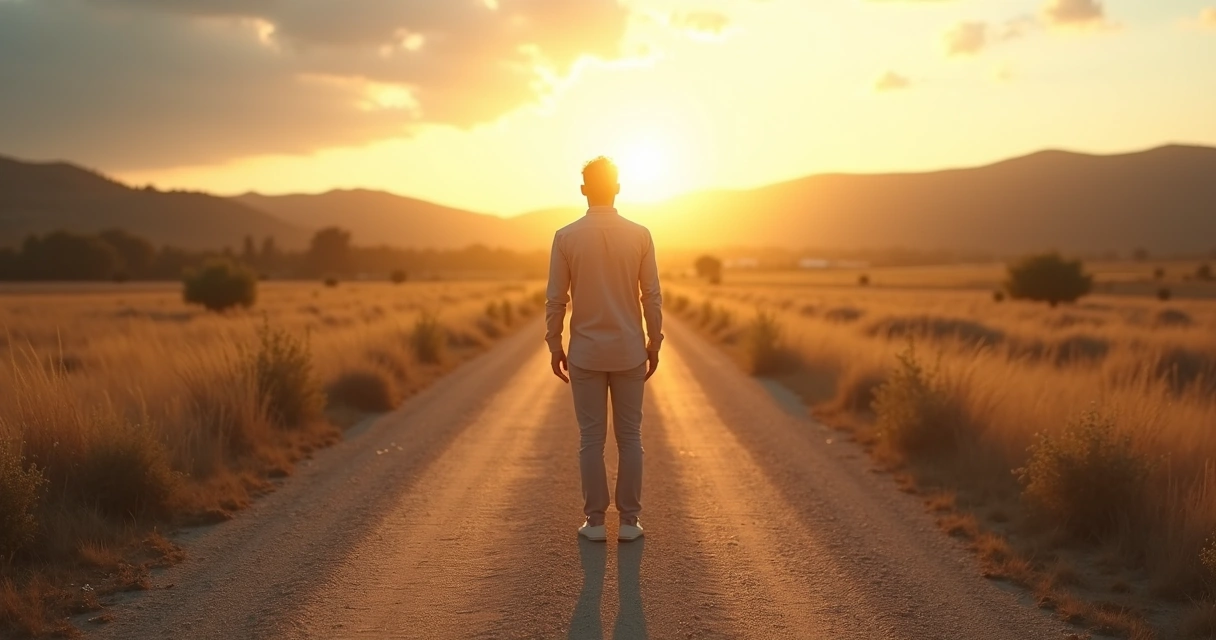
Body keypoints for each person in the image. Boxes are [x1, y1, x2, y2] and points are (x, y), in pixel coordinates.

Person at [545, 156, 664, 543]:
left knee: (590, 440)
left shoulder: (565, 236)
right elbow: (652, 296)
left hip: (586, 353)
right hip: (630, 350)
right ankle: (629, 522)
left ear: (583, 189)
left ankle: (595, 522)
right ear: (617, 187)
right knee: (631, 438)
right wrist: (654, 341)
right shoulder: (640, 234)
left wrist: (554, 344)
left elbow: (556, 300)